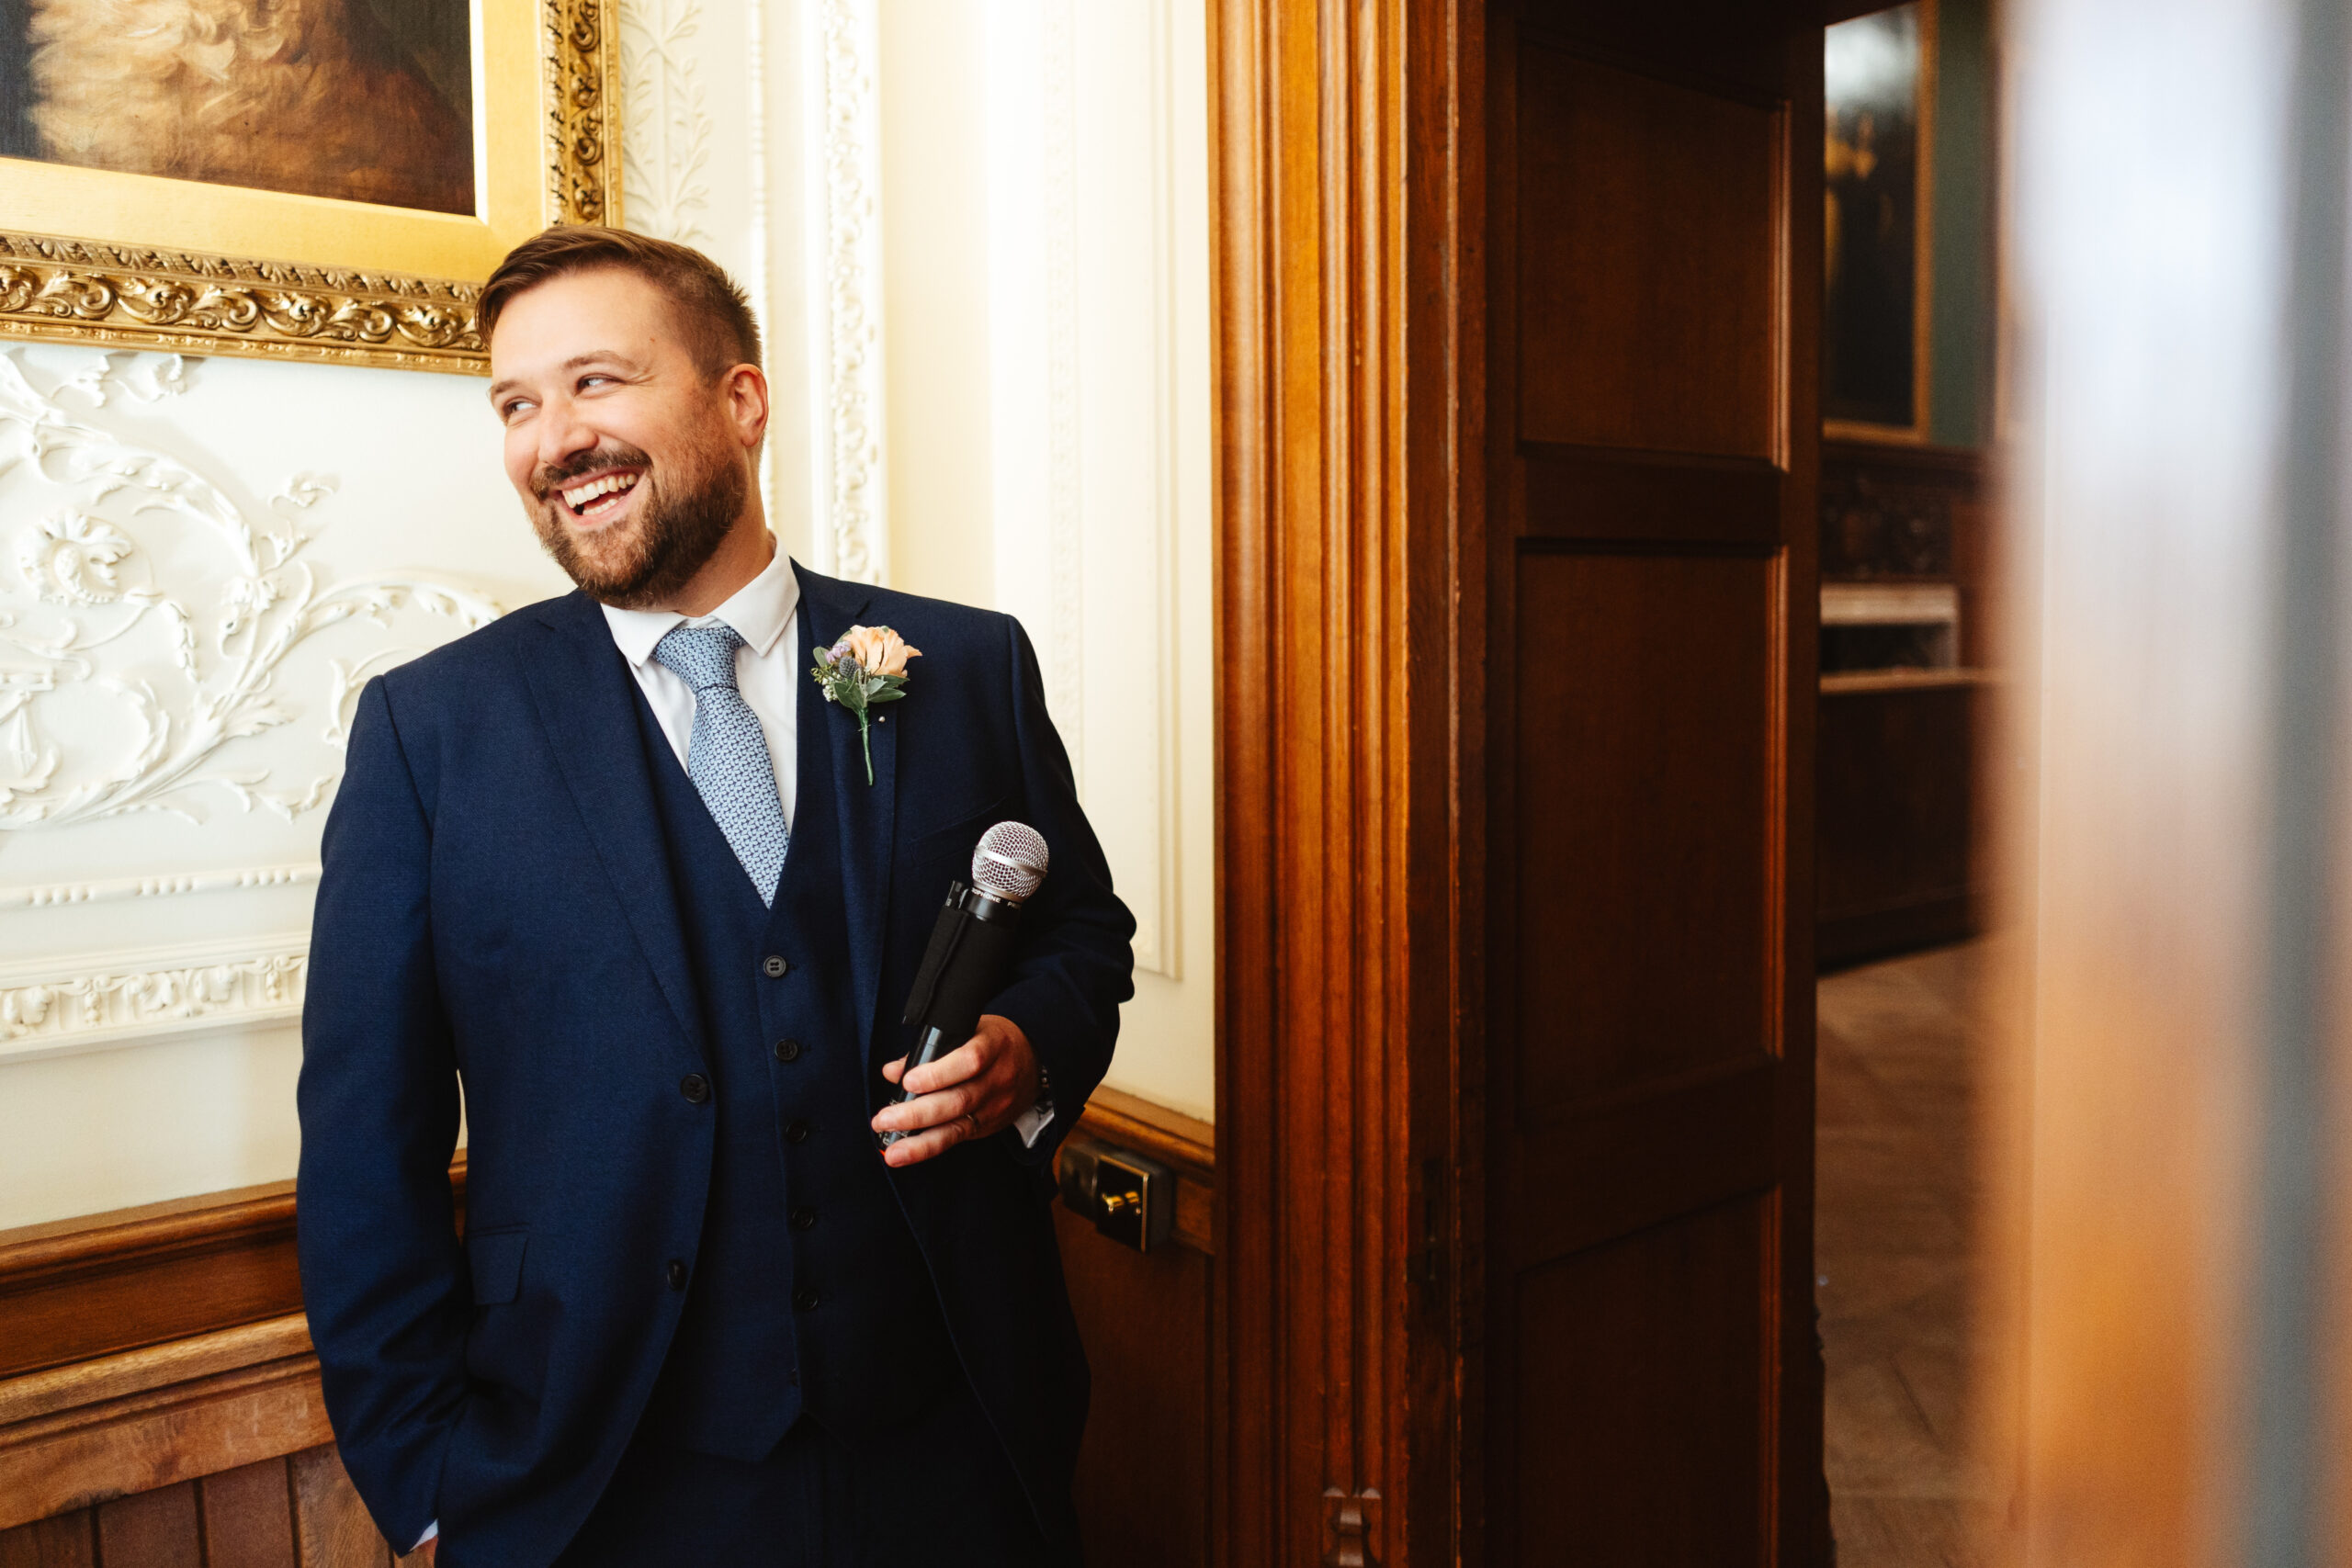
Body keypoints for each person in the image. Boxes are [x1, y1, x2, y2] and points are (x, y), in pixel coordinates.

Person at [295, 225, 1135, 1568]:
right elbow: (363, 1143)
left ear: (739, 403)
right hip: (596, 1479)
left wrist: (1028, 1048)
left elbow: (1083, 930)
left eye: (596, 382)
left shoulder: (964, 665)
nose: (552, 436)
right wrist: (434, 1482)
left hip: (955, 1452)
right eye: (516, 403)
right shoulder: (430, 733)